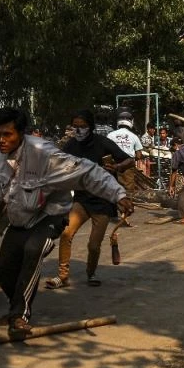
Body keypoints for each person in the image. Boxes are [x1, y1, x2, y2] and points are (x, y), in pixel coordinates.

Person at [0, 107, 134, 338]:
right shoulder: (0, 156)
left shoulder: (44, 154)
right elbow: (1, 189)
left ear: (21, 133)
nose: (1, 140)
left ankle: (20, 316)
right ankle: (16, 309)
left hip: (50, 216)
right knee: (3, 270)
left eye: (7, 134)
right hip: (22, 218)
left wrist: (118, 195)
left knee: (33, 250)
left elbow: (88, 172)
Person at [44, 110, 134, 289]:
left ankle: (91, 273)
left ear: (91, 127)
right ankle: (62, 276)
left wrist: (116, 167)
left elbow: (129, 160)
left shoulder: (103, 143)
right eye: (75, 126)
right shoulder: (71, 145)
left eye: (83, 126)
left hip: (103, 201)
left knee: (94, 244)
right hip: (82, 199)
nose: (78, 130)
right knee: (66, 234)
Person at [106, 116, 144, 192]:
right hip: (128, 167)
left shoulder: (110, 135)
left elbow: (106, 152)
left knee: (113, 190)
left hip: (112, 166)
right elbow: (139, 155)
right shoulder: (134, 136)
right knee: (128, 191)